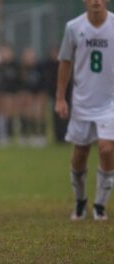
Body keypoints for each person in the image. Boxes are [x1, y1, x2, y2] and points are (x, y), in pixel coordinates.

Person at [55, 0, 114, 220]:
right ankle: (80, 201)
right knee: (80, 154)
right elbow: (65, 62)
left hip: (109, 102)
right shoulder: (74, 27)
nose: (96, 1)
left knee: (107, 149)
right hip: (82, 102)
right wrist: (60, 98)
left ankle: (100, 204)